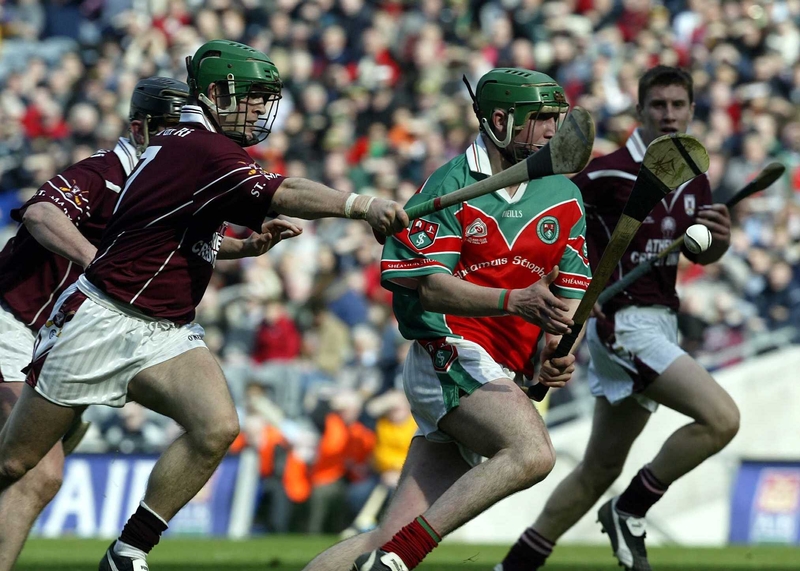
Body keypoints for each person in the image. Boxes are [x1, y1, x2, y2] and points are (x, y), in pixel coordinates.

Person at [0, 39, 407, 571]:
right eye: (253, 97)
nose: (262, 110)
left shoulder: (202, 150)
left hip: (164, 329)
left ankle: (128, 551)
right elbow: (282, 191)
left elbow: (182, 236)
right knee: (18, 463)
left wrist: (246, 245)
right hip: (100, 319)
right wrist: (360, 204)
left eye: (267, 98)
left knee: (216, 426)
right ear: (214, 94)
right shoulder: (199, 147)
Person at [302, 68, 592, 571]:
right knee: (532, 453)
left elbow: (569, 296)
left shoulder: (564, 195)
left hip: (500, 374)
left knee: (386, 536)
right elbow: (430, 287)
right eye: (541, 119)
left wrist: (554, 350)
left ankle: (388, 557)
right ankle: (398, 563)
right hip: (446, 351)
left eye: (556, 118)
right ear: (500, 120)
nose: (552, 131)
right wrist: (511, 302)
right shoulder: (451, 183)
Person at [498, 66, 739, 571]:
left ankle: (516, 564)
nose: (669, 114)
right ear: (640, 111)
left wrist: (718, 242)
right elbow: (554, 231)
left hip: (661, 319)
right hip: (620, 323)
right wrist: (569, 295)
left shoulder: (695, 177)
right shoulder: (606, 173)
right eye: (659, 105)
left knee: (598, 467)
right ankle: (630, 510)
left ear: (693, 111)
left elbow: (699, 256)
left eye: (678, 105)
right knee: (721, 419)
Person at [0, 76, 190, 571]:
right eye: (171, 130)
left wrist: (243, 247)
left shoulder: (164, 189)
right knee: (38, 473)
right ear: (140, 129)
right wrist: (94, 260)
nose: (181, 142)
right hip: (11, 324)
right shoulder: (102, 171)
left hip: (62, 342)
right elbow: (41, 214)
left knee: (27, 469)